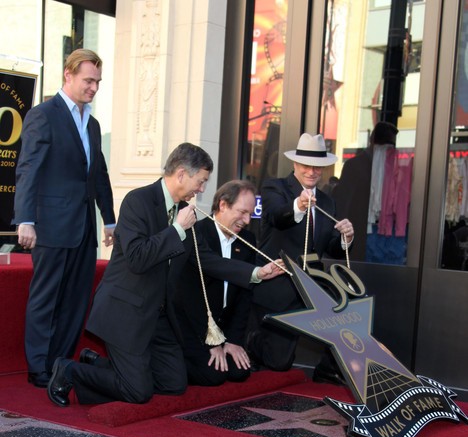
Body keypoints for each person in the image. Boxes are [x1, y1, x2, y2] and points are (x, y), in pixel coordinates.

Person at [46, 143, 284, 407]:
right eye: (201, 181)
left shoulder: (184, 211)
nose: (203, 189)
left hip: (159, 315)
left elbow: (207, 260)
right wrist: (177, 230)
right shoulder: (138, 201)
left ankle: (101, 365)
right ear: (182, 174)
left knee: (174, 384)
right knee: (139, 392)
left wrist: (257, 272)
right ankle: (69, 371)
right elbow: (137, 258)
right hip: (126, 312)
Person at [12, 48, 116, 388]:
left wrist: (110, 219)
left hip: (84, 224)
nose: (94, 88)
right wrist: (25, 218)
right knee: (47, 296)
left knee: (76, 299)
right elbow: (28, 169)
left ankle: (60, 361)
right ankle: (38, 366)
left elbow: (98, 173)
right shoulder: (44, 115)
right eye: (88, 80)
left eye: (98, 82)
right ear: (68, 76)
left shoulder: (94, 123)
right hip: (52, 224)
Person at [247, 132, 354, 383]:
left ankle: (328, 369)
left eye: (318, 167)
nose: (312, 171)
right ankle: (247, 340)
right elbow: (277, 217)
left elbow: (330, 248)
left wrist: (345, 238)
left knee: (347, 315)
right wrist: (299, 206)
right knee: (279, 362)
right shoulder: (275, 187)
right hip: (280, 283)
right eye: (306, 165)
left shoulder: (327, 201)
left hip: (314, 285)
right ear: (295, 164)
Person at [175, 179, 258, 386]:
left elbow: (243, 297)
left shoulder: (248, 240)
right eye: (242, 212)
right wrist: (213, 342)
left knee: (240, 372)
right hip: (191, 327)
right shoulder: (196, 234)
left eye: (250, 213)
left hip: (222, 329)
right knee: (213, 375)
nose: (247, 220)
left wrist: (233, 340)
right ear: (222, 205)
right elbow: (189, 299)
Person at [332, 121, 399, 260]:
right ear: (374, 142)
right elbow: (344, 203)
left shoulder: (393, 168)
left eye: (392, 145)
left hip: (382, 233)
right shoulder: (355, 166)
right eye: (387, 144)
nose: (390, 149)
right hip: (357, 232)